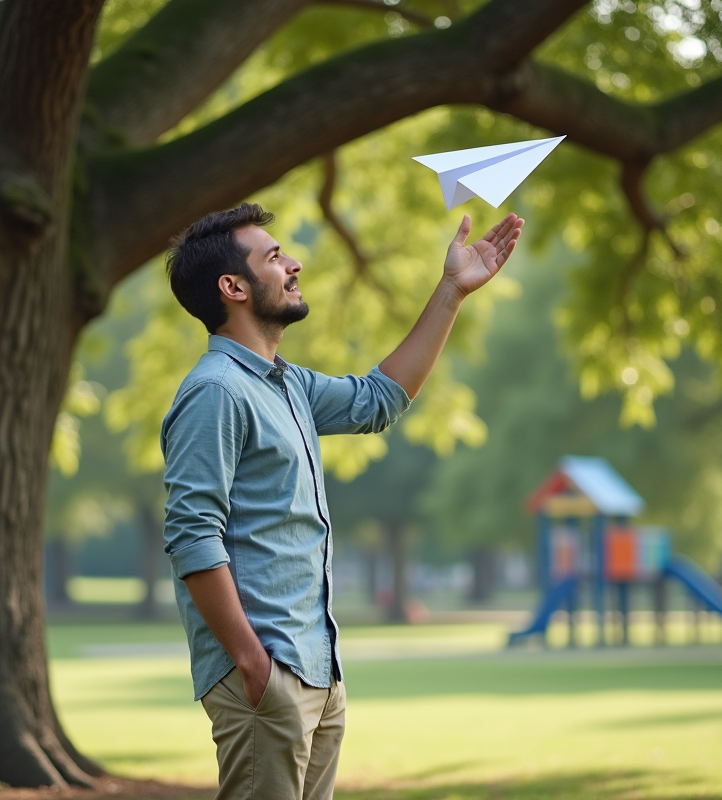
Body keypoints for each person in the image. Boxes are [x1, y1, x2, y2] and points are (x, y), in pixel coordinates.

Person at [161, 202, 522, 800]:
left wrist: (452, 291)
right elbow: (192, 536)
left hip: (313, 668)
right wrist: (252, 663)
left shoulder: (287, 385)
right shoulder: (215, 392)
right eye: (274, 257)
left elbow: (379, 399)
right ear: (233, 287)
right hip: (267, 672)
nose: (294, 264)